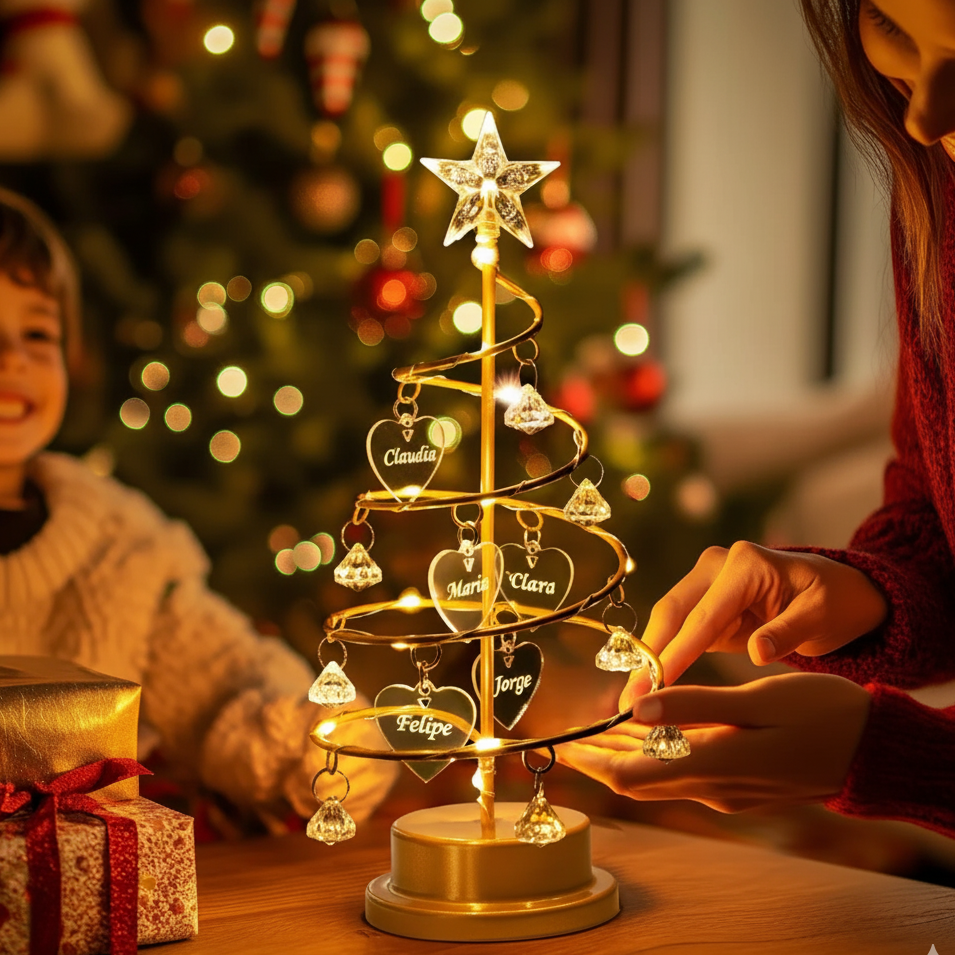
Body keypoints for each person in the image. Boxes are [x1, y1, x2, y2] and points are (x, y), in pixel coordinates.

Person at [559, 0, 955, 840]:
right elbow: (932, 500)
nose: (923, 111)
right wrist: (856, 593)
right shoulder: (936, 188)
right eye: (891, 29)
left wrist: (874, 755)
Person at [0, 187, 396, 832]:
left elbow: (224, 680)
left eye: (38, 332)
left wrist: (310, 740)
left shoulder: (118, 548)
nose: (13, 357)